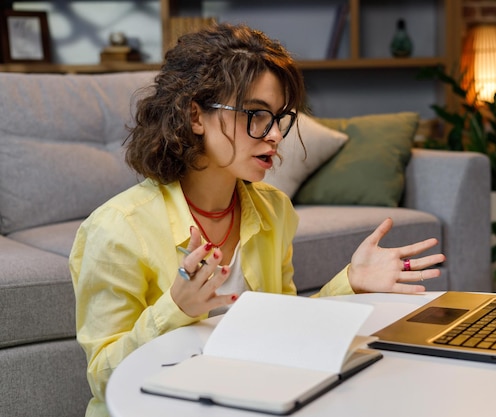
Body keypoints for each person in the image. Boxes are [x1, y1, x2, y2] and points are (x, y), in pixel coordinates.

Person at [69, 23, 445, 417]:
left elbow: (278, 331)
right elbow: (103, 377)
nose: (273, 136)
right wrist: (175, 308)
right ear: (196, 115)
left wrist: (350, 282)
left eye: (279, 118)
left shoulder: (273, 210)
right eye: (255, 115)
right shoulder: (116, 229)